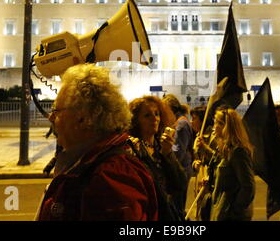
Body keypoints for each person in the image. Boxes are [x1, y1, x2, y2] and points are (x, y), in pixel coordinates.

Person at [36, 64, 158, 221]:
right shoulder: (89, 163)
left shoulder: (110, 178)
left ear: (82, 118)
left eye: (56, 111)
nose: (51, 118)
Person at [128, 95, 188, 221]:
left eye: (157, 114)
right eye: (147, 115)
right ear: (136, 121)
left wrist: (167, 153)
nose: (154, 119)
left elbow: (180, 184)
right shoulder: (133, 149)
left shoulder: (160, 146)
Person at [208, 107, 255, 221]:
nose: (214, 126)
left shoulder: (238, 152)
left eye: (217, 122)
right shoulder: (224, 150)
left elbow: (248, 187)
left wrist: (234, 211)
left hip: (230, 215)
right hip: (220, 211)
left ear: (226, 126)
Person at [161, 94, 195, 213]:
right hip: (181, 169)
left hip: (180, 170)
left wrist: (164, 152)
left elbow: (178, 152)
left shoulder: (181, 124)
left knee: (176, 207)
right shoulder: (179, 122)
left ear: (171, 109)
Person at [190, 105, 217, 221]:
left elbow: (218, 158)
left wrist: (205, 147)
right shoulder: (197, 136)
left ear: (203, 119)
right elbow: (197, 159)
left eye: (194, 118)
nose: (192, 122)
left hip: (211, 183)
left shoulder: (213, 136)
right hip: (199, 182)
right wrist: (194, 164)